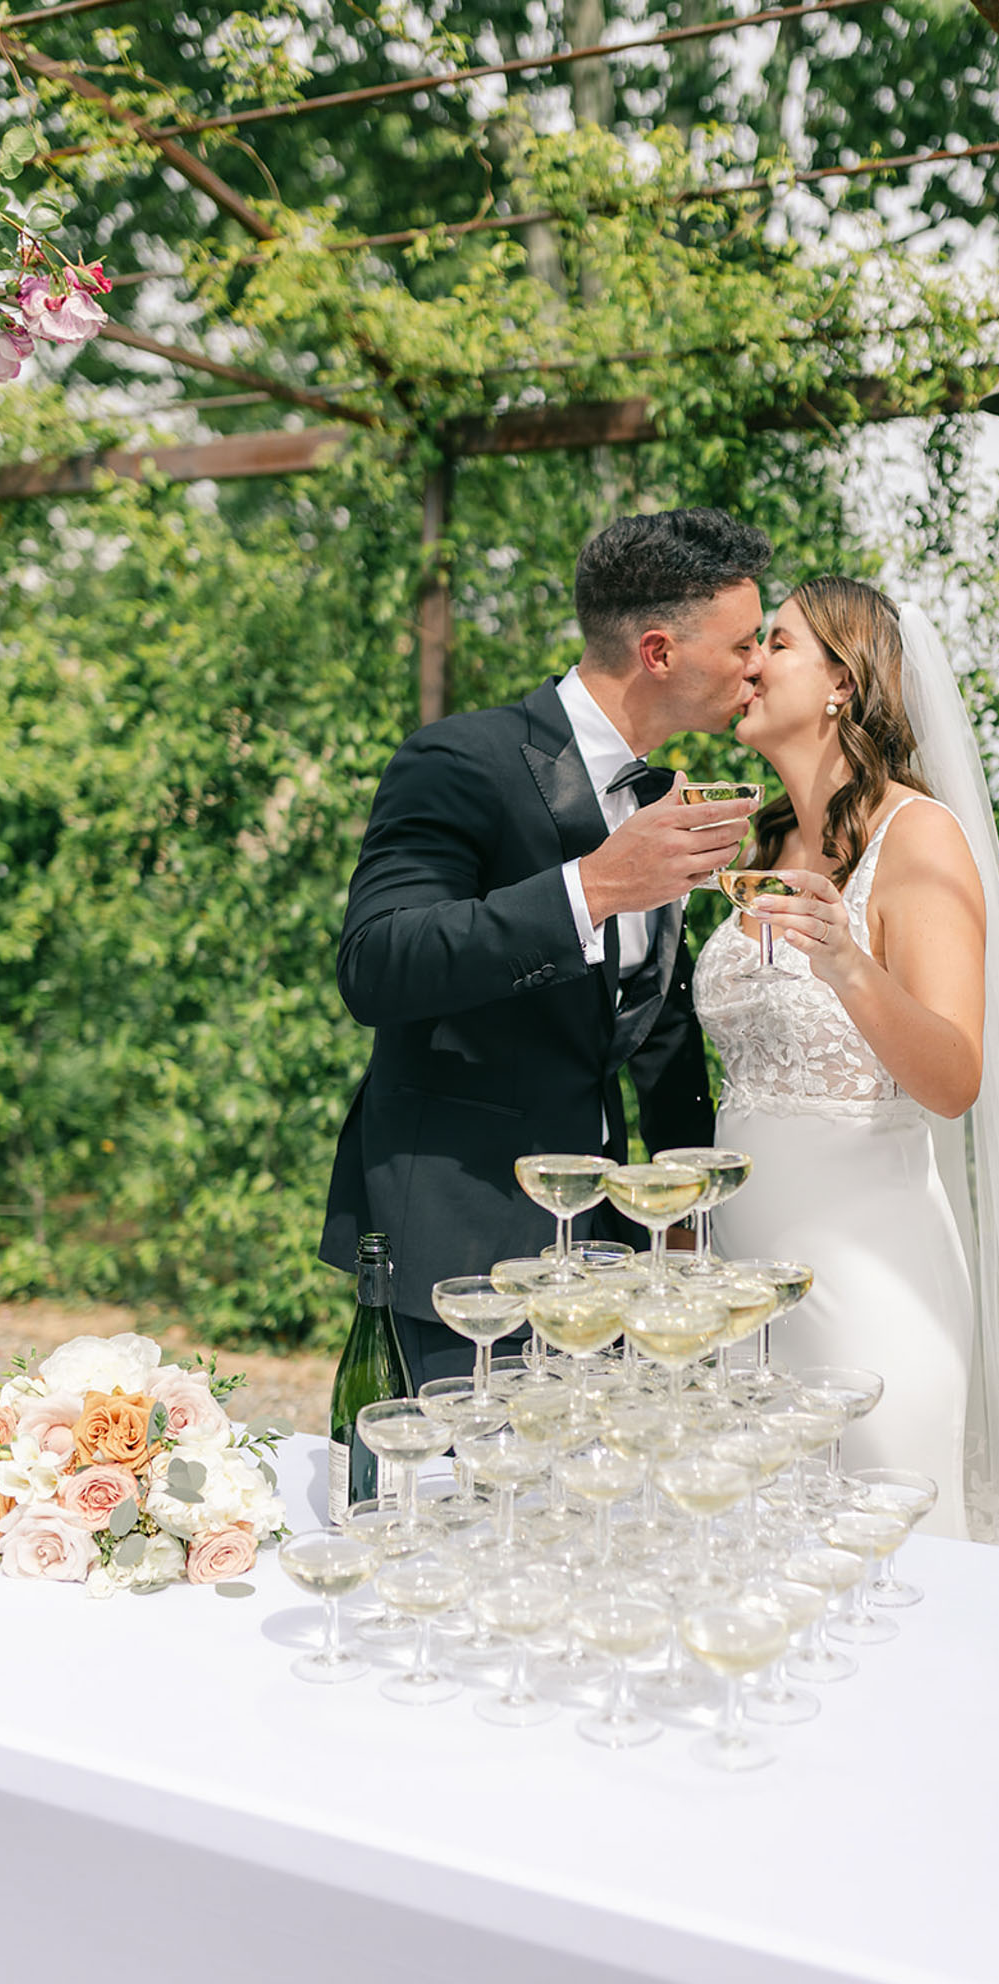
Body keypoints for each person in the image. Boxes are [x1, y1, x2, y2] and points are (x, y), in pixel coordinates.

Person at [694, 577, 999, 1557]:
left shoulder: (916, 837)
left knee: (878, 1564)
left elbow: (953, 1075)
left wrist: (842, 958)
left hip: (868, 1286)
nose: (748, 664)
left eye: (775, 644)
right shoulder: (765, 843)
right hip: (736, 1287)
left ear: (841, 680)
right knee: (753, 1566)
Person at [321, 508, 768, 1383]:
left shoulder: (670, 792)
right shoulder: (458, 759)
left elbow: (656, 1020)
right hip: (466, 1239)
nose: (757, 665)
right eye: (745, 642)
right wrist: (598, 887)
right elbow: (375, 964)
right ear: (658, 652)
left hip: (602, 1248)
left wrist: (687, 1219)